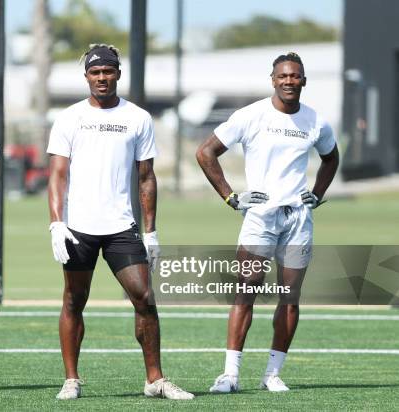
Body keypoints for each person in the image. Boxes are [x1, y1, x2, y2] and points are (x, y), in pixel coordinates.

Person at [47, 44, 193, 401]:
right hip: (78, 228)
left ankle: (155, 380)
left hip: (121, 228)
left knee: (144, 297)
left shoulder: (138, 118)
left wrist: (152, 230)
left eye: (108, 71)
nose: (102, 78)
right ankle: (71, 379)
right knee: (73, 300)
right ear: (87, 77)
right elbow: (57, 175)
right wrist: (56, 223)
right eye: (95, 72)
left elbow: (146, 177)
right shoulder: (69, 117)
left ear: (118, 74)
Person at [196, 52, 340, 393]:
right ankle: (229, 375)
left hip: (298, 220)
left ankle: (272, 375)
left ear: (303, 81)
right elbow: (206, 152)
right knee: (246, 292)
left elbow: (331, 158)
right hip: (260, 218)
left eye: (295, 76)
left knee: (290, 298)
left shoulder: (316, 121)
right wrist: (231, 197)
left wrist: (316, 194)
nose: (289, 81)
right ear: (273, 80)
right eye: (283, 76)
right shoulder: (251, 115)